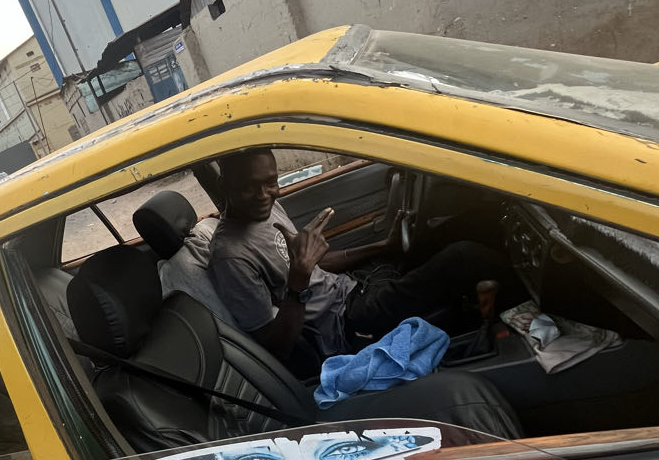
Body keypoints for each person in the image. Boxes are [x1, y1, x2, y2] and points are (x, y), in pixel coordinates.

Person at [208, 149, 515, 375]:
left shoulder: (265, 209)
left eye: (271, 182)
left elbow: (316, 265)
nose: (264, 194)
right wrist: (298, 281)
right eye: (249, 186)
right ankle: (527, 311)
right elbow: (276, 346)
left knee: (469, 223)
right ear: (225, 187)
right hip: (349, 323)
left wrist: (382, 246)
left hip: (356, 286)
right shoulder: (231, 256)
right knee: (462, 257)